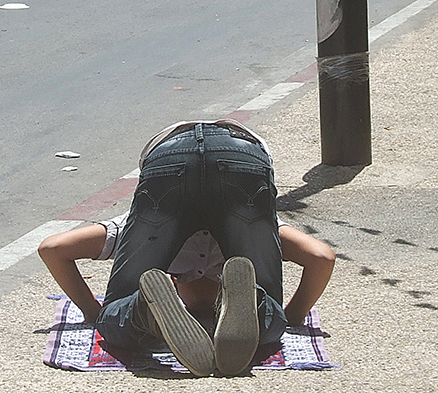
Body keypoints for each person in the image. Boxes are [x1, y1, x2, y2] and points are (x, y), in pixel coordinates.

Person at [38, 120, 336, 376]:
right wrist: (291, 318)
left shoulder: (128, 226)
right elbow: (323, 257)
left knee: (115, 321)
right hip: (242, 154)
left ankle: (142, 309)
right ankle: (257, 304)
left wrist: (96, 313)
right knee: (271, 322)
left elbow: (52, 248)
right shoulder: (268, 231)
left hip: (170, 156)